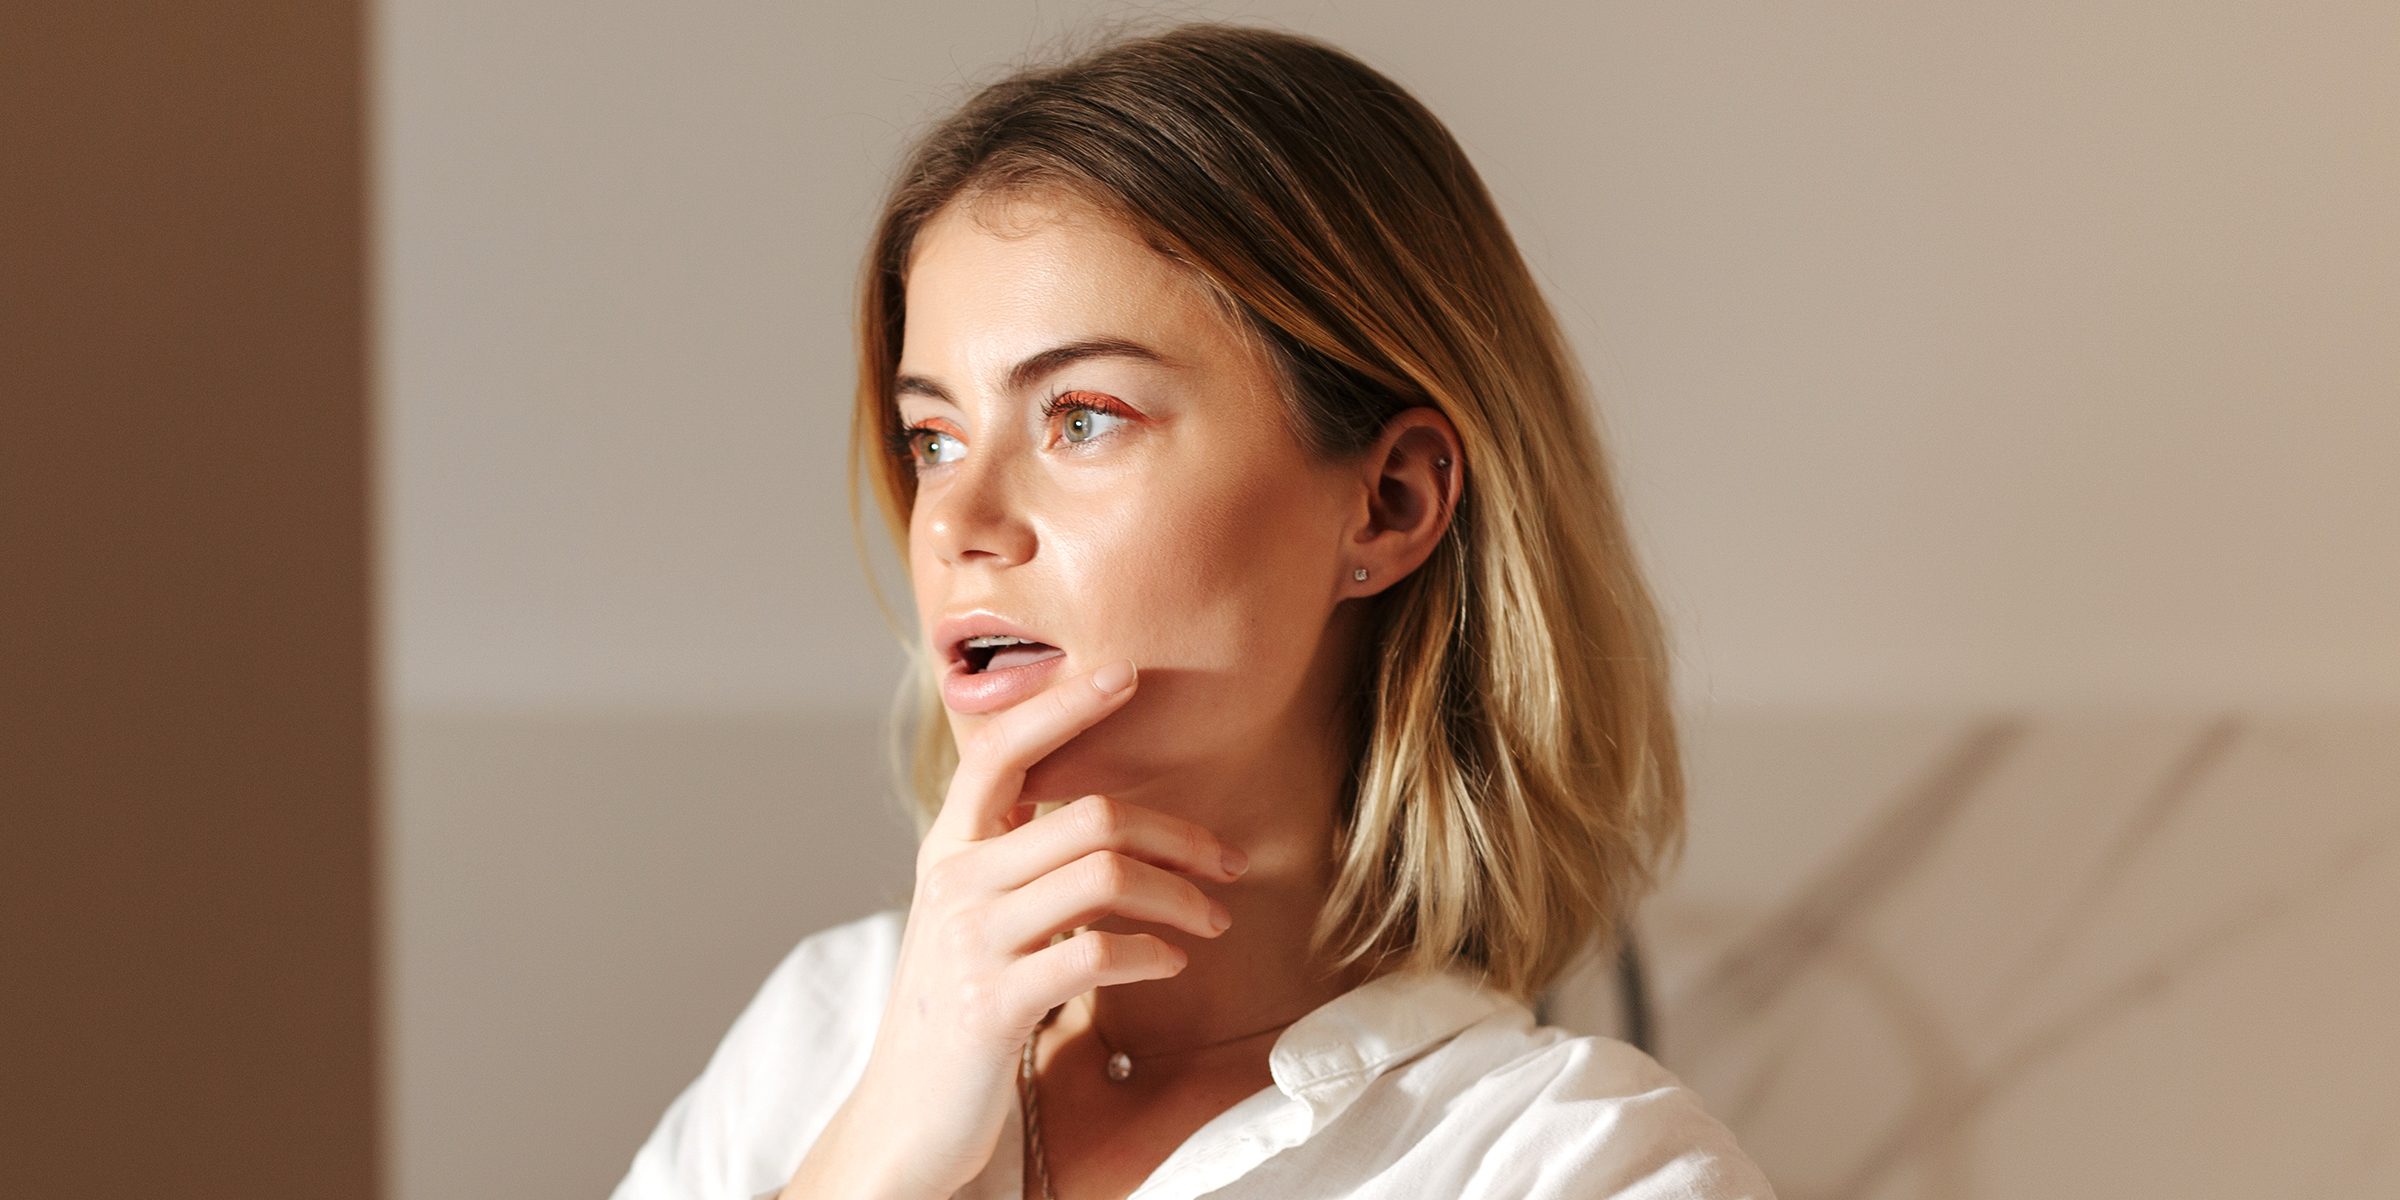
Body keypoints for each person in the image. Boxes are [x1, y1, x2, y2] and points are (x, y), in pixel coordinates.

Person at [613, 23, 1773, 1200]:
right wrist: (869, 1161)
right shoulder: (826, 1033)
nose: (958, 521)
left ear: (1388, 502)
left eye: (1083, 417)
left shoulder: (1580, 1163)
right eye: (934, 436)